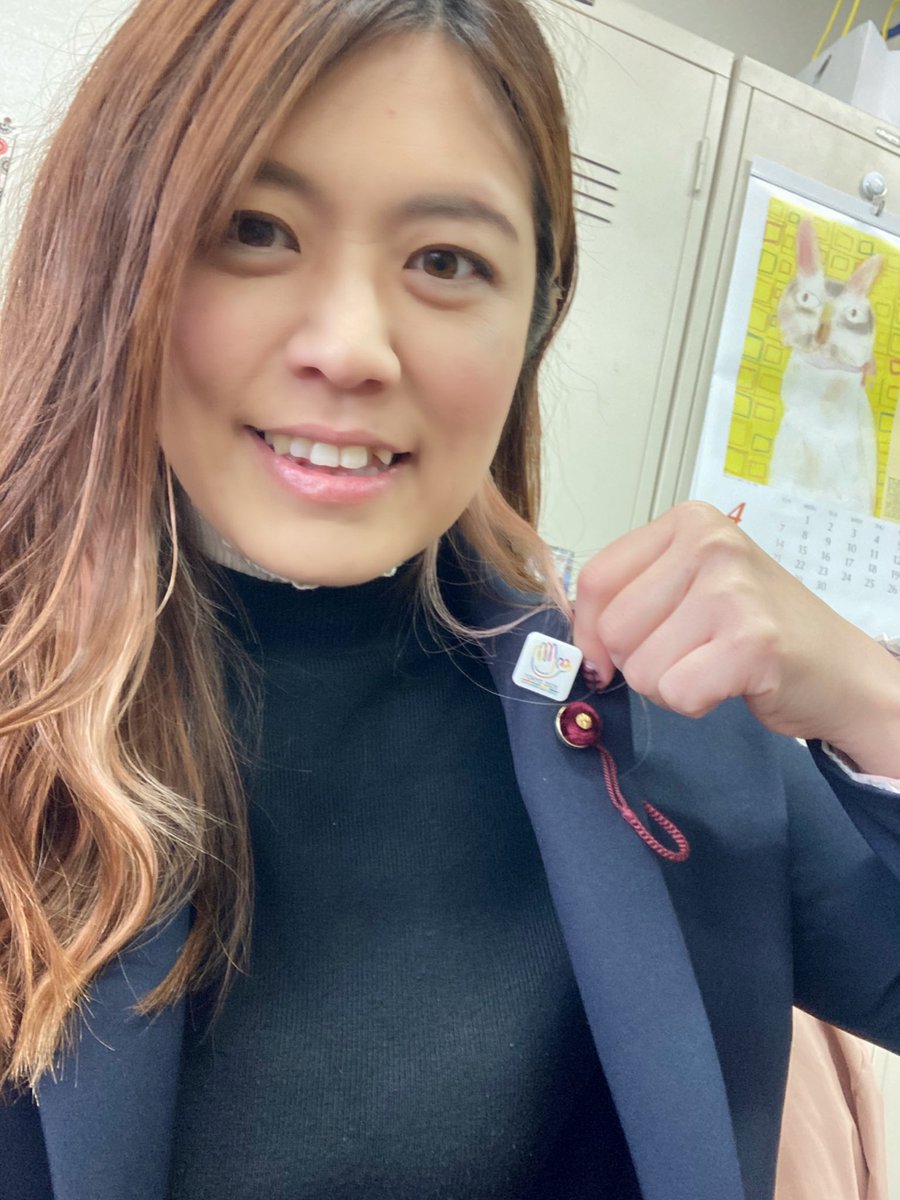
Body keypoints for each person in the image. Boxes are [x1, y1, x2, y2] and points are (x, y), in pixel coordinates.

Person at [0, 1, 898, 1198]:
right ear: (117, 258)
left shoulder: (657, 717)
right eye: (256, 230)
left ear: (535, 317)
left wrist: (870, 697)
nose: (351, 347)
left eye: (445, 261)